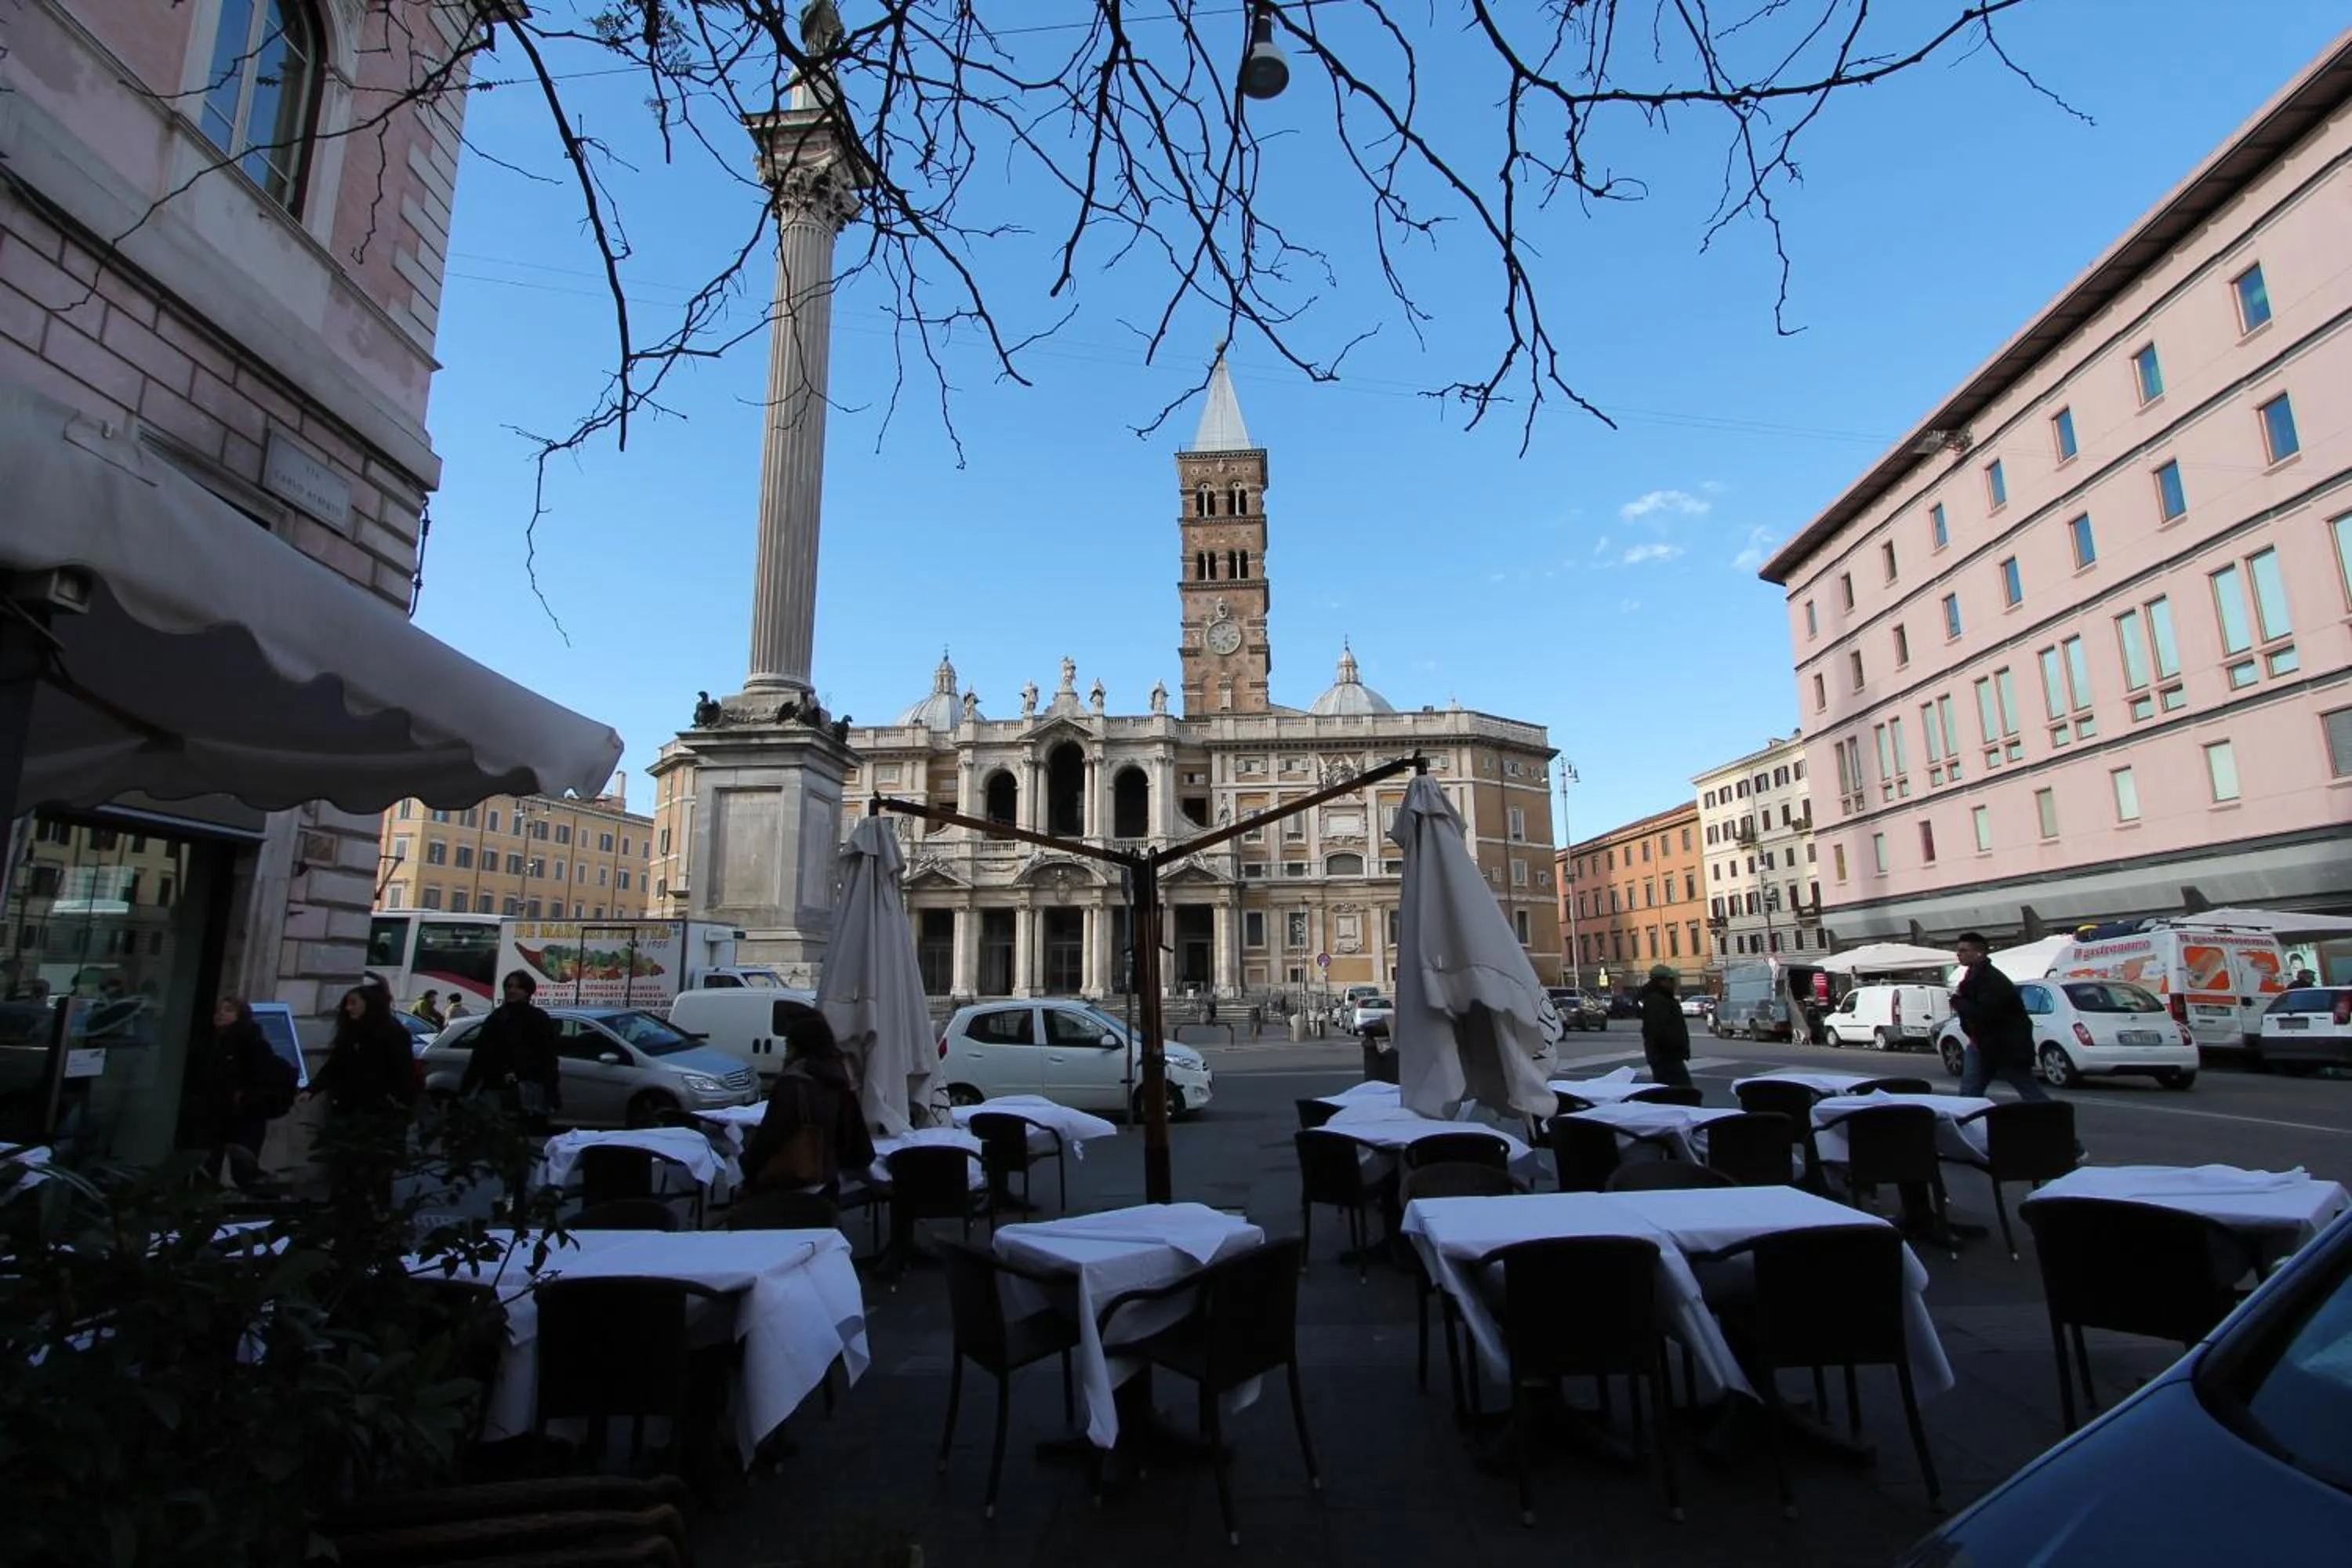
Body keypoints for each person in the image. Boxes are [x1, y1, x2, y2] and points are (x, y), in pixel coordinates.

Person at [739, 1012, 875, 1214]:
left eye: (788, 1046)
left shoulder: (793, 1084)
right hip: (827, 1182)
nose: (785, 1053)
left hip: (788, 1183)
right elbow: (851, 1134)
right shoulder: (839, 1079)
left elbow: (769, 1138)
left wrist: (747, 1169)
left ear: (798, 1048)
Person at [1953, 931, 2050, 1103]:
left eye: (1963, 950)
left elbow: (1985, 1012)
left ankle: (2053, 1118)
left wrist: (1958, 1002)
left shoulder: (1992, 980)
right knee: (1969, 1093)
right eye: (1958, 950)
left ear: (1978, 953)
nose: (1958, 954)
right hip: (1982, 1044)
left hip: (2004, 1046)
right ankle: (1970, 1122)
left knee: (2027, 1088)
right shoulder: (1973, 976)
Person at [459, 971, 563, 1131]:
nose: (512, 991)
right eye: (509, 986)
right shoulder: (496, 1018)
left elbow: (548, 1057)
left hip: (526, 1092)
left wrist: (551, 1094)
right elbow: (480, 1055)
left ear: (527, 991)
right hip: (495, 1088)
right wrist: (466, 1089)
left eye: (518, 987)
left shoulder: (538, 1019)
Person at [205, 997, 291, 1190]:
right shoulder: (212, 1040)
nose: (221, 1014)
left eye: (228, 1010)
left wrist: (244, 1097)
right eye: (219, 1009)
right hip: (217, 1112)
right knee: (210, 1162)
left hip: (244, 1114)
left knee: (244, 1169)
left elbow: (262, 1076)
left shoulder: (252, 1042)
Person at [1638, 964, 1693, 1089]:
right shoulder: (1657, 1001)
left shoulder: (1662, 998)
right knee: (1681, 1093)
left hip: (1667, 1057)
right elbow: (1658, 1031)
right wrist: (1677, 1047)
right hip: (1666, 1058)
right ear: (1662, 981)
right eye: (1672, 980)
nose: (1675, 983)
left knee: (1674, 1093)